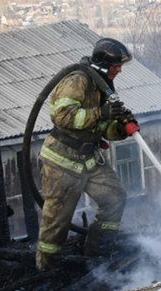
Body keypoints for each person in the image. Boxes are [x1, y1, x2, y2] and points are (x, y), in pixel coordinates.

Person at [35, 38, 138, 271]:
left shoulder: (104, 85)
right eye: (116, 65)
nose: (119, 70)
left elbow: (101, 129)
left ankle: (97, 256)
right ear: (103, 63)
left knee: (114, 198)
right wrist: (101, 112)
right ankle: (47, 272)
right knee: (57, 221)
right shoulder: (78, 80)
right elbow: (62, 116)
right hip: (62, 160)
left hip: (89, 159)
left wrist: (119, 127)